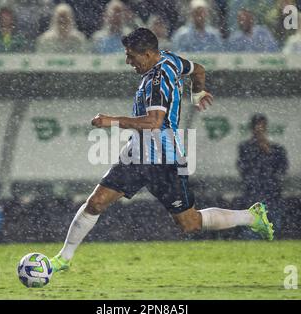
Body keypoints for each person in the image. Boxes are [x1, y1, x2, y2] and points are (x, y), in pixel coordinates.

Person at [49, 27, 274, 273]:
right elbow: (198, 68)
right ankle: (64, 259)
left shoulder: (159, 79)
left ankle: (252, 217)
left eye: (131, 56)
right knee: (96, 202)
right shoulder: (169, 58)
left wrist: (109, 121)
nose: (128, 61)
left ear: (147, 54)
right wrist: (197, 91)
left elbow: (153, 123)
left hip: (165, 160)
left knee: (190, 224)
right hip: (137, 154)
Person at [237, 114, 289, 235]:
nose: (260, 130)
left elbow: (283, 168)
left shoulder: (276, 148)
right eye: (257, 126)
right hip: (253, 192)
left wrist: (268, 151)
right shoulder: (245, 147)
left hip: (272, 192)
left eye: (262, 126)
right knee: (251, 227)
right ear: (252, 128)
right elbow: (244, 168)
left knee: (274, 226)